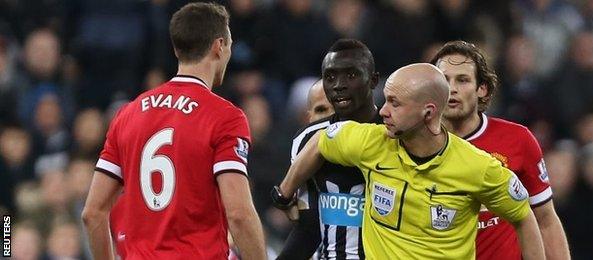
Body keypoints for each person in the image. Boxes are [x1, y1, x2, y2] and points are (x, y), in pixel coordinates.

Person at [273, 63, 546, 259]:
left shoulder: (478, 167)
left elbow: (524, 216)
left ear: (428, 112)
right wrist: (284, 194)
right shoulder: (371, 142)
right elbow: (320, 142)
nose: (383, 111)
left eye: (395, 103)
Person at [81, 3, 266, 259]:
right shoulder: (225, 117)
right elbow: (239, 214)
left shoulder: (128, 114)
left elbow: (92, 213)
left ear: (177, 48)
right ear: (219, 46)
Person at [430, 41, 570, 260]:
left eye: (463, 80)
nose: (452, 88)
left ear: (482, 89)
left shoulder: (518, 140)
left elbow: (545, 221)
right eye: (444, 80)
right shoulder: (417, 143)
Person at [277, 39, 380, 260]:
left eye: (351, 75)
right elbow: (309, 226)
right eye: (330, 77)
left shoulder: (396, 135)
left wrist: (283, 194)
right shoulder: (306, 139)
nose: (338, 85)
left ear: (373, 80)